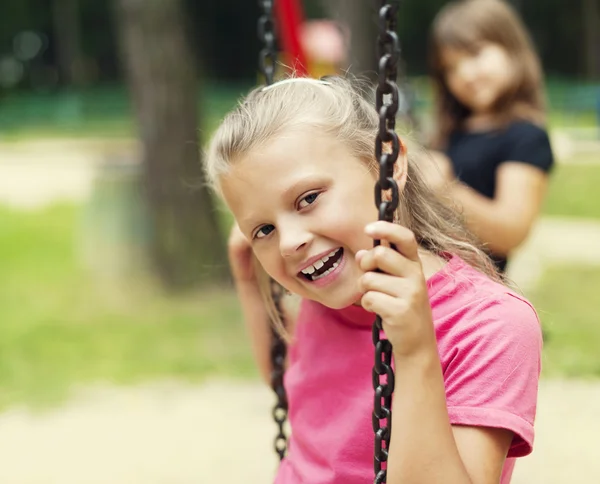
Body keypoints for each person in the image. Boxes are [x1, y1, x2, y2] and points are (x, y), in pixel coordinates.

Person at [205, 76, 542, 484]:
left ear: (388, 164)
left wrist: (416, 350)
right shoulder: (324, 300)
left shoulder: (489, 325)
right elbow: (297, 390)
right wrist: (248, 282)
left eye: (308, 199)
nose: (291, 242)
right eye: (264, 230)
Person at [424, 0, 555, 273]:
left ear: (511, 47)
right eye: (451, 67)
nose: (465, 74)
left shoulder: (526, 136)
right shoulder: (450, 132)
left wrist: (446, 189)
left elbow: (511, 233)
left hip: (474, 290)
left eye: (474, 54)